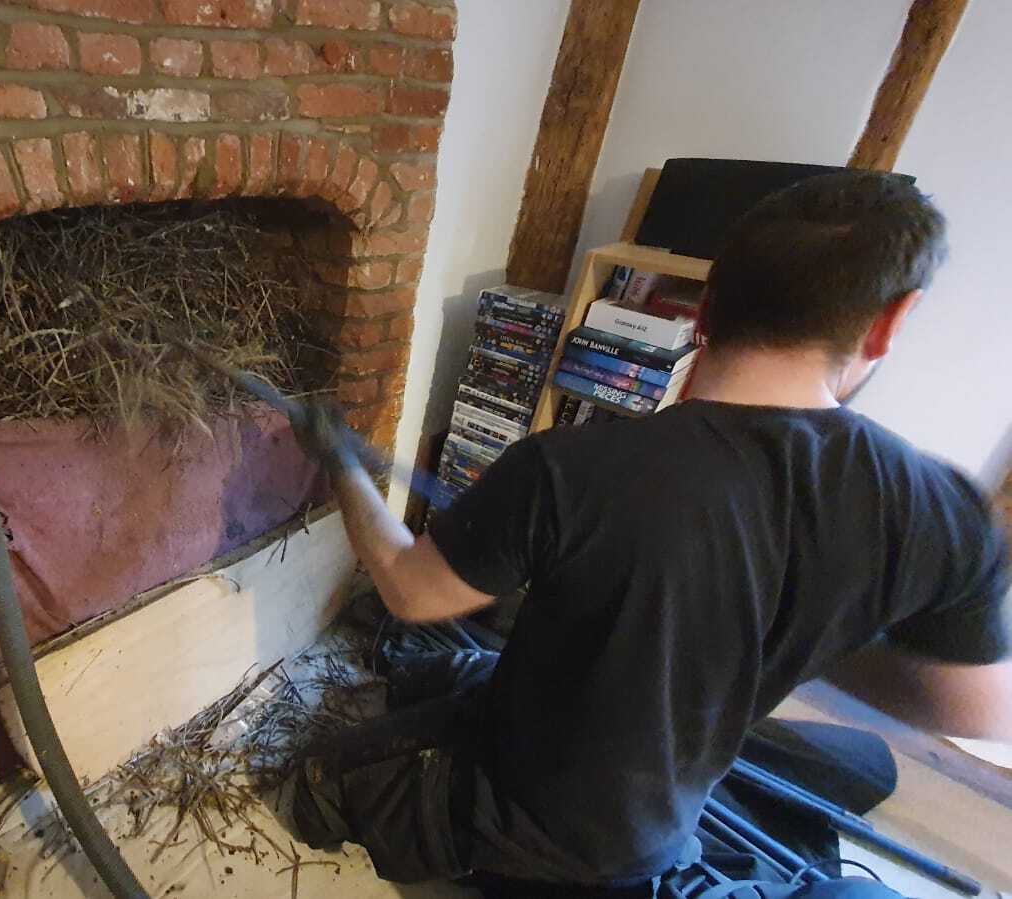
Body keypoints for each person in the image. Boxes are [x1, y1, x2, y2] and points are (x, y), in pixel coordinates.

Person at [279, 171, 1012, 891]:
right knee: (439, 669)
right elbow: (979, 708)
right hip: (657, 821)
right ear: (889, 322)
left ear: (703, 307)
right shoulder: (934, 506)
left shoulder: (571, 468)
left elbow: (410, 590)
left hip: (540, 824)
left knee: (311, 778)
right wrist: (792, 626)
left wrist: (343, 465)